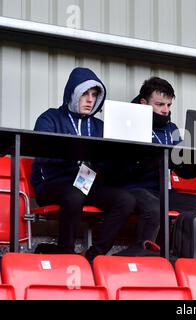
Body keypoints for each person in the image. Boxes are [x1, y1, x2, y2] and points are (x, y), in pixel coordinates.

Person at [111, 77, 196, 255]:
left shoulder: (171, 128)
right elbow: (118, 170)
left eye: (169, 105)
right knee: (154, 207)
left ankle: (191, 255)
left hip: (165, 192)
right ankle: (141, 255)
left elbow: (183, 171)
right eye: (159, 104)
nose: (165, 110)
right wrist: (156, 160)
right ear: (143, 103)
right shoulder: (129, 124)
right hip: (134, 188)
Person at [31, 67, 136, 262]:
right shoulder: (50, 118)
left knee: (126, 200)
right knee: (74, 196)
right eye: (84, 94)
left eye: (94, 95)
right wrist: (79, 158)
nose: (90, 100)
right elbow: (43, 156)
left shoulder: (100, 127)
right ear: (73, 94)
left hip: (87, 183)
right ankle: (65, 254)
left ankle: (91, 256)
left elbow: (108, 164)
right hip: (53, 183)